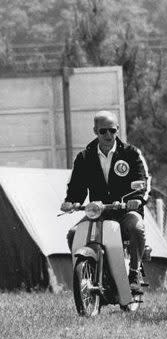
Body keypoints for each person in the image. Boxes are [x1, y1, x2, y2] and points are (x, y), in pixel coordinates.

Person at [61, 111, 150, 293]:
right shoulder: (84, 157)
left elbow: (143, 181)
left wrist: (137, 199)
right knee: (73, 234)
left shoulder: (131, 154)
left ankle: (134, 274)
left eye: (112, 130)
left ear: (117, 129)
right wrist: (71, 202)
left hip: (125, 211)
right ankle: (89, 272)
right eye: (103, 131)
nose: (108, 135)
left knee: (137, 227)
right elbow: (76, 186)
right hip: (98, 213)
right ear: (95, 131)